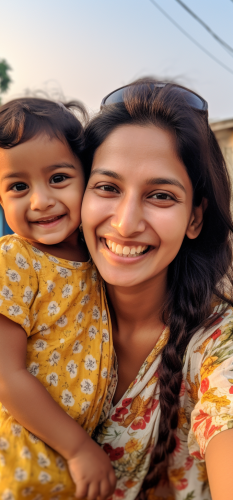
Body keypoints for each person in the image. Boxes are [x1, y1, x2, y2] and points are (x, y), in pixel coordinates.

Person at [81, 79, 233, 500]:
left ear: (195, 219)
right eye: (108, 187)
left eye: (161, 195)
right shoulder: (41, 311)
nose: (126, 223)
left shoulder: (217, 347)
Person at [0, 98, 116, 500]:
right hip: (23, 455)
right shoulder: (9, 259)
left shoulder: (98, 252)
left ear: (87, 177)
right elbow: (5, 375)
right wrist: (78, 448)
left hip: (74, 451)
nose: (40, 201)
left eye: (59, 178)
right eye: (18, 186)